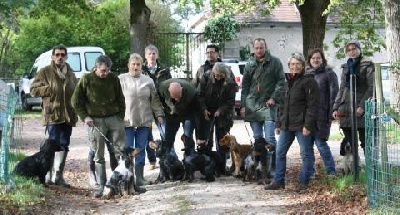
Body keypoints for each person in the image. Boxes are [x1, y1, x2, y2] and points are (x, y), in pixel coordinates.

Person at [71, 55, 136, 198]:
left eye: (107, 70)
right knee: (98, 154)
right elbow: (75, 101)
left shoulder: (113, 79)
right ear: (96, 67)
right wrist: (85, 117)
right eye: (103, 70)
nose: (105, 73)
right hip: (95, 120)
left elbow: (120, 98)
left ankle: (129, 184)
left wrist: (120, 116)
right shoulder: (86, 80)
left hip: (114, 118)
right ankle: (102, 186)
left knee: (122, 151)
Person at [264, 52, 319, 192]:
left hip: (302, 126)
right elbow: (282, 105)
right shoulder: (287, 81)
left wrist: (308, 125)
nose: (295, 66)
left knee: (306, 154)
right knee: (280, 152)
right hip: (286, 125)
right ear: (289, 66)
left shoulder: (309, 81)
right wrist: (278, 124)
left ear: (303, 66)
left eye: (298, 64)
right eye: (292, 64)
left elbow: (313, 106)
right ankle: (278, 181)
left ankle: (304, 182)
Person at [30, 45, 78, 187]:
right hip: (53, 115)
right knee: (50, 146)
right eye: (57, 55)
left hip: (68, 115)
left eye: (62, 55)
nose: (60, 57)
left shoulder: (70, 73)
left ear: (66, 57)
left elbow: (76, 92)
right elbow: (33, 90)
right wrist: (49, 89)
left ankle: (58, 176)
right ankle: (46, 176)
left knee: (64, 146)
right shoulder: (45, 72)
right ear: (52, 57)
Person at [240, 38, 286, 179]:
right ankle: (258, 169)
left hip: (268, 105)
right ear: (253, 49)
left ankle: (273, 169)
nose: (259, 50)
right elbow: (245, 86)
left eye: (261, 47)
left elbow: (281, 82)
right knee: (258, 138)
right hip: (252, 105)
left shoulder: (275, 62)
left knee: (270, 139)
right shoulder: (249, 64)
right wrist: (243, 105)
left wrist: (274, 97)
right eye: (256, 48)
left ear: (266, 47)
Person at [119, 53, 165, 186]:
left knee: (140, 149)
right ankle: (127, 178)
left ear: (141, 66)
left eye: (138, 64)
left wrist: (159, 114)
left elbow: (155, 100)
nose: (135, 67)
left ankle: (139, 178)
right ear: (128, 65)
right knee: (127, 150)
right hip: (126, 121)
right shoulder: (121, 79)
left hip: (144, 120)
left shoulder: (148, 81)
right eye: (133, 64)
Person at [332, 40, 374, 155]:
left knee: (366, 142)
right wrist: (335, 107)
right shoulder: (346, 67)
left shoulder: (368, 64)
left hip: (361, 108)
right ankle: (353, 168)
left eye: (354, 49)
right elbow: (341, 89)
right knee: (350, 143)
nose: (352, 52)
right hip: (345, 108)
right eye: (349, 50)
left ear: (359, 49)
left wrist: (362, 106)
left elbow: (372, 87)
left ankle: (370, 170)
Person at [198, 62, 237, 175]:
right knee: (207, 140)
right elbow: (199, 94)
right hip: (208, 110)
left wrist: (220, 110)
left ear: (225, 74)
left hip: (223, 113)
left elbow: (230, 101)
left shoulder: (230, 81)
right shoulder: (206, 76)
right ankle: (208, 166)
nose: (217, 77)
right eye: (216, 75)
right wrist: (204, 109)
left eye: (220, 75)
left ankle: (221, 168)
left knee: (222, 140)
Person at [306, 48, 339, 176]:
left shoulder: (329, 74)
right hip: (307, 116)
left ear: (322, 59)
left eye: (318, 58)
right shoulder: (306, 74)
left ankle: (331, 171)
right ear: (309, 60)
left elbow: (334, 94)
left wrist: (331, 114)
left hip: (322, 115)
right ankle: (310, 172)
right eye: (313, 58)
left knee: (321, 144)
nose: (315, 60)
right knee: (307, 147)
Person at [142, 44, 171, 170]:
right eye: (149, 54)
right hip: (146, 106)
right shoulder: (141, 70)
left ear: (157, 55)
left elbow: (170, 85)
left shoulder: (164, 69)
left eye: (154, 53)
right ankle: (152, 161)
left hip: (161, 105)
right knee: (148, 135)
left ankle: (168, 158)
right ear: (145, 56)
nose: (152, 56)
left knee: (165, 133)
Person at [158, 78, 201, 155]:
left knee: (187, 136)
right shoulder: (162, 89)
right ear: (168, 92)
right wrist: (162, 113)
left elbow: (196, 110)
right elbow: (158, 103)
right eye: (174, 97)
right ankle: (169, 157)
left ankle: (190, 157)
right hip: (171, 114)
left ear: (182, 90)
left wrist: (199, 135)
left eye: (179, 96)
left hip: (187, 113)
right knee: (169, 137)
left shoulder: (191, 92)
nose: (177, 99)